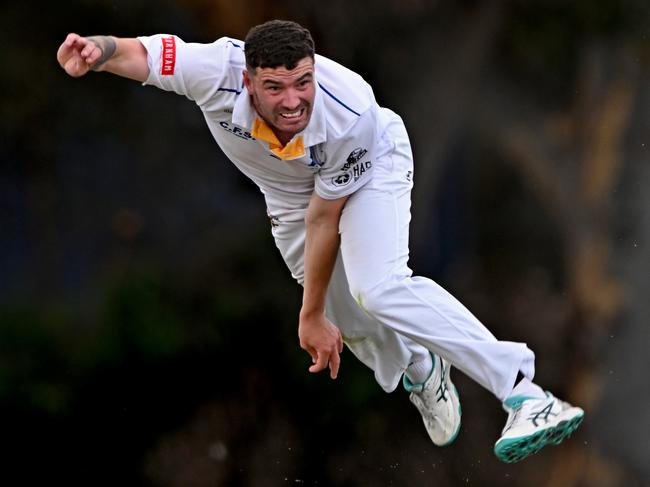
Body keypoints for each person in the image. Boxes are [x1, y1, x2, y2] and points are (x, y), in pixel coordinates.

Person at [56, 19, 584, 462]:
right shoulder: (211, 71)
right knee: (351, 323)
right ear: (247, 80)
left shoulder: (347, 110)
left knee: (376, 288)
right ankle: (420, 369)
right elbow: (138, 54)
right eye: (276, 88)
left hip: (372, 164)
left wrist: (308, 314)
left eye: (303, 82)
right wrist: (94, 52)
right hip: (288, 199)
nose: (293, 102)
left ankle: (525, 392)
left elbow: (325, 220)